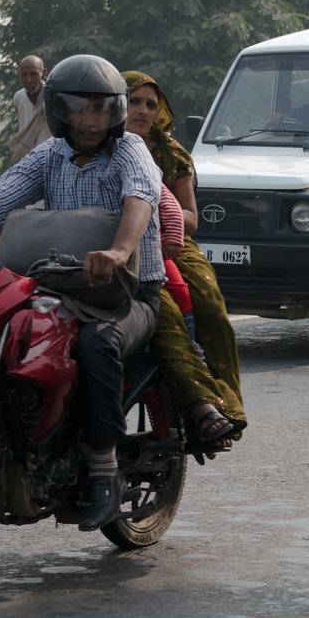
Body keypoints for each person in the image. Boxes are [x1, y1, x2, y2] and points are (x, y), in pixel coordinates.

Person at [0, 55, 164, 530]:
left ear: (116, 111)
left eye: (100, 109)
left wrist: (121, 250)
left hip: (126, 295)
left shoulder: (131, 152)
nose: (89, 120)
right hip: (56, 289)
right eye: (78, 108)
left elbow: (140, 199)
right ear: (59, 110)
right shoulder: (49, 156)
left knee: (95, 343)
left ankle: (102, 467)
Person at [123, 71, 246, 438]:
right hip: (109, 238)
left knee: (206, 300)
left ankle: (225, 402)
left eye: (150, 104)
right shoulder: (99, 145)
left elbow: (189, 216)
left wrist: (160, 218)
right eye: (134, 101)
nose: (143, 111)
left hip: (167, 239)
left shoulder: (171, 153)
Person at [6, 55, 51, 161]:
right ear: (19, 75)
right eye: (24, 75)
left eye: (34, 74)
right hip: (28, 159)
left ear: (44, 73)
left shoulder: (53, 96)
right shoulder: (18, 97)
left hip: (51, 156)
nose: (29, 79)